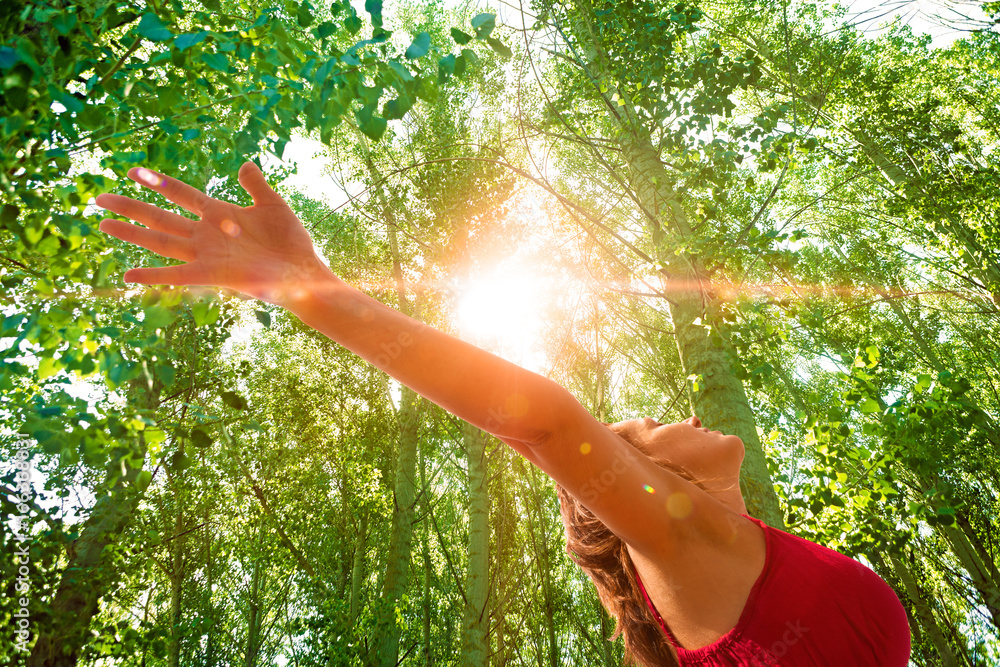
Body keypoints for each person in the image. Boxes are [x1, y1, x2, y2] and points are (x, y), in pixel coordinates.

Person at [97, 163, 912, 666]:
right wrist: (310, 288)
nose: (672, 416)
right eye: (639, 433)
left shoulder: (736, 560)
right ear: (651, 479)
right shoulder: (683, 540)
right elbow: (547, 424)